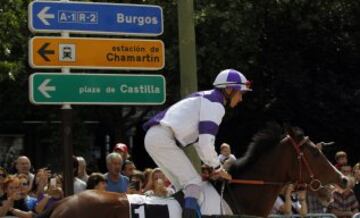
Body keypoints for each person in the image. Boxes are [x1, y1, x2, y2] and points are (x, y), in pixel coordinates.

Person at [143, 69, 252, 217]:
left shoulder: (208, 99)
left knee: (185, 188)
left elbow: (199, 144)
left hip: (157, 138)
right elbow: (206, 143)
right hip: (162, 139)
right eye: (241, 93)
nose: (241, 99)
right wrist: (217, 167)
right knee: (194, 182)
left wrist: (214, 168)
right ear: (228, 89)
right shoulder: (215, 104)